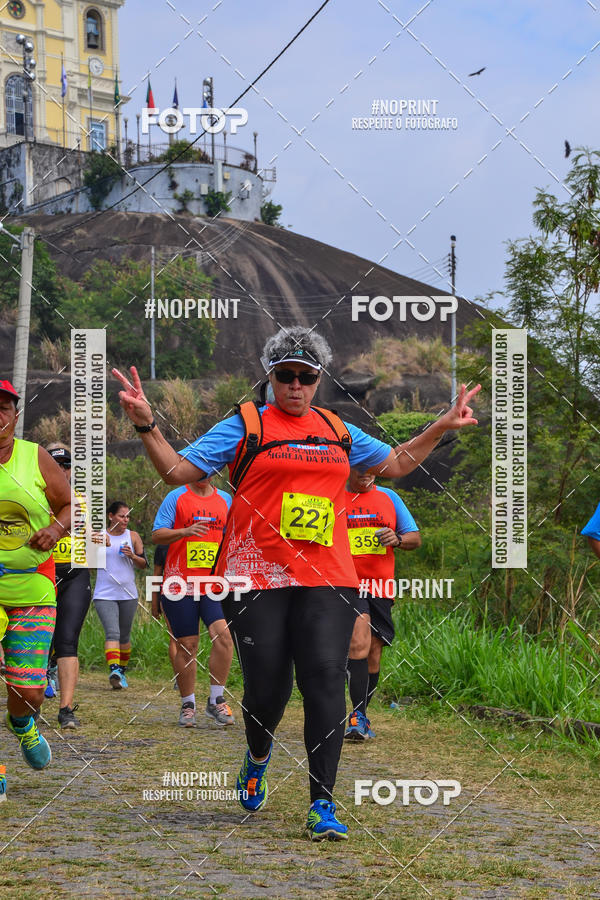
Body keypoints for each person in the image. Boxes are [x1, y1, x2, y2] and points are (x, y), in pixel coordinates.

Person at [112, 327, 480, 841]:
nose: (296, 386)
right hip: (256, 574)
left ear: (318, 380)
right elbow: (176, 470)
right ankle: (257, 756)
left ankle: (322, 805)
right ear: (271, 377)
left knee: (326, 680)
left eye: (306, 377)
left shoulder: (338, 429)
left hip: (328, 575)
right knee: (268, 689)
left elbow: (394, 464)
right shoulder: (245, 424)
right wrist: (148, 425)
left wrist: (439, 426)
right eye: (285, 375)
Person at [0, 380, 71, 772]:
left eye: (4, 407)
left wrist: (56, 530)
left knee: (29, 691)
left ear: (14, 415)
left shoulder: (36, 457)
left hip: (33, 586)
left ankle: (22, 722)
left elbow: (69, 506)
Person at [344, 468, 420, 741]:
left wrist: (397, 539)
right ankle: (355, 716)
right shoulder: (334, 496)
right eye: (359, 468)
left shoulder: (389, 497)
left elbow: (415, 538)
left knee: (374, 650)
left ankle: (360, 714)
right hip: (346, 583)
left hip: (380, 586)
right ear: (347, 467)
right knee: (359, 641)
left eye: (371, 469)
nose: (365, 473)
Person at [151, 476, 235, 727]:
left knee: (224, 637)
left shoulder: (226, 500)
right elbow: (157, 534)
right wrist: (184, 532)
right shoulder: (176, 497)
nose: (204, 473)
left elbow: (236, 533)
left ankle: (216, 699)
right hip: (179, 583)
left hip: (213, 584)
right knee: (187, 645)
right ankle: (188, 704)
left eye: (209, 467)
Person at [44, 446, 95, 728]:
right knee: (37, 641)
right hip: (43, 573)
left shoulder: (85, 500)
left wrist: (100, 539)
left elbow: (94, 538)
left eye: (66, 465)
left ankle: (65, 709)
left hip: (76, 574)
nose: (62, 470)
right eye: (56, 464)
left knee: (67, 640)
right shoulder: (34, 495)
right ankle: (30, 701)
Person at [92, 501, 147, 689]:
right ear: (110, 516)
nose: (125, 520)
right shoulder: (99, 536)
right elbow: (88, 564)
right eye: (121, 516)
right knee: (112, 632)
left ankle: (121, 673)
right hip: (104, 594)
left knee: (124, 636)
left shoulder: (133, 536)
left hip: (128, 593)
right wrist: (97, 547)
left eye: (128, 516)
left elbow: (143, 564)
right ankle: (114, 669)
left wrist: (132, 556)